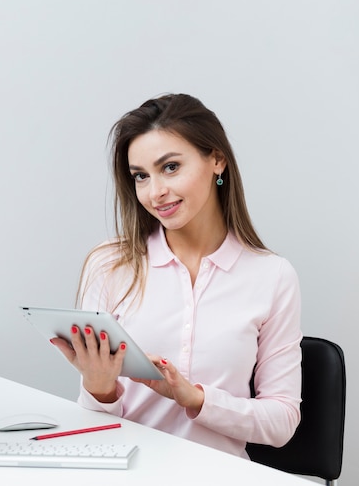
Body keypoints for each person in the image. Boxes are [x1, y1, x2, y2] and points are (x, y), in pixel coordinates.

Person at [51, 93, 302, 458]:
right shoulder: (110, 264)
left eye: (170, 167)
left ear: (217, 159)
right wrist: (99, 388)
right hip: (128, 474)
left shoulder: (273, 276)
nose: (155, 193)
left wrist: (195, 399)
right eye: (141, 176)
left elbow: (281, 422)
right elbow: (93, 426)